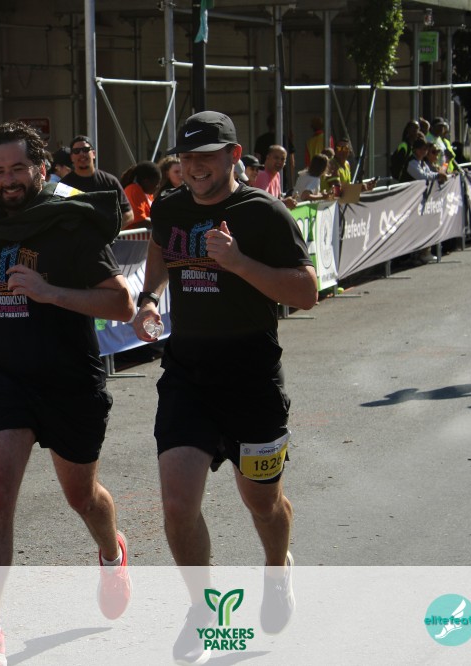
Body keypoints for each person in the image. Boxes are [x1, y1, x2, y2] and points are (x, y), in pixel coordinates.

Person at [0, 120, 135, 664]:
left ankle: (111, 553)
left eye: (18, 169)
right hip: (6, 377)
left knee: (82, 497)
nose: (8, 180)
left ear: (41, 169)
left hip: (70, 380)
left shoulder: (66, 223)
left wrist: (49, 292)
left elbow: (121, 303)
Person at [131, 111, 317, 665]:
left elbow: (306, 292)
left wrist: (237, 263)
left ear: (234, 156)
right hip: (187, 376)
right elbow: (160, 250)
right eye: (187, 158)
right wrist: (148, 300)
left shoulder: (263, 213)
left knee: (262, 502)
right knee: (177, 504)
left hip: (252, 380)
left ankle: (278, 568)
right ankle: (204, 608)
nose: (194, 168)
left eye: (206, 157)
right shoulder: (170, 207)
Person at [60, 135, 134, 228]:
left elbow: (128, 214)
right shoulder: (64, 185)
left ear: (93, 154)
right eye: (76, 151)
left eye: (85, 150)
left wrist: (109, 231)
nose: (81, 154)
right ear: (72, 157)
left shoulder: (110, 181)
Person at [121, 161, 161, 229]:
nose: (158, 187)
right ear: (146, 181)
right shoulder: (133, 189)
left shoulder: (148, 194)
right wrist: (163, 224)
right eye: (156, 183)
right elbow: (139, 221)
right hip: (133, 235)